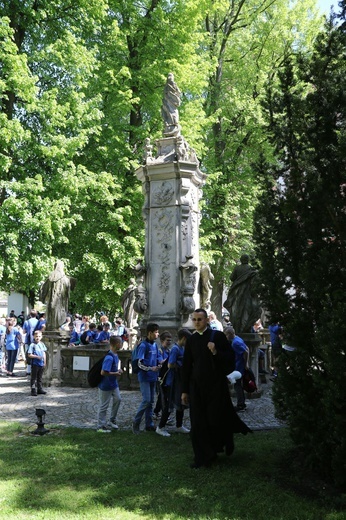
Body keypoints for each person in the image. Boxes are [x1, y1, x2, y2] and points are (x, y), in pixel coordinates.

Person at [181, 308, 251, 468]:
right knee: (198, 422)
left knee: (215, 420)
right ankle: (203, 457)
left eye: (200, 319)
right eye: (195, 319)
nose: (197, 322)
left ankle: (222, 444)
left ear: (206, 320)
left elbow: (230, 360)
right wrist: (184, 390)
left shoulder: (217, 337)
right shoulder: (191, 340)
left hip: (215, 387)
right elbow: (186, 366)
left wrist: (215, 352)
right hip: (197, 387)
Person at [156, 328, 192, 437]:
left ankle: (179, 426)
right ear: (184, 339)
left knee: (180, 403)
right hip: (171, 382)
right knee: (169, 405)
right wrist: (181, 366)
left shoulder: (182, 348)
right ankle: (160, 427)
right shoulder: (176, 349)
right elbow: (170, 364)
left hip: (179, 381)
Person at [132, 323, 163, 434]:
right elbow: (140, 363)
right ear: (149, 333)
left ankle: (149, 424)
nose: (157, 334)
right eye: (156, 332)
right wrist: (150, 368)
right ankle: (136, 423)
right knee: (146, 400)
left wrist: (160, 362)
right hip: (144, 377)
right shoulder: (143, 345)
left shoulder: (155, 345)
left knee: (151, 402)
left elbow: (158, 357)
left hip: (153, 377)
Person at [223, 254, 262, 333]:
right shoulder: (251, 269)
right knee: (246, 309)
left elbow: (232, 278)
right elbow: (255, 282)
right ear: (248, 260)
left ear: (241, 260)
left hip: (237, 292)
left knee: (236, 310)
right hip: (247, 293)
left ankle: (238, 327)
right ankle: (244, 327)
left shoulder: (237, 268)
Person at [96, 336, 123, 433]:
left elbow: (113, 368)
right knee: (104, 406)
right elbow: (103, 372)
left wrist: (118, 370)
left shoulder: (115, 355)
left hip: (113, 384)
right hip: (105, 385)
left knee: (118, 399)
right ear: (116, 344)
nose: (122, 344)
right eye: (121, 342)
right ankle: (101, 426)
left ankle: (112, 420)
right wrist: (115, 373)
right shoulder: (109, 357)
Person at [40, 260, 76, 329]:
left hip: (52, 303)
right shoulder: (65, 279)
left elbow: (43, 289)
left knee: (52, 314)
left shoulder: (50, 278)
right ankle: (55, 327)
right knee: (58, 315)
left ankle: (52, 326)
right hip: (61, 303)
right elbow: (70, 288)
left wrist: (43, 298)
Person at [224, 326, 249, 412]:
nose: (226, 337)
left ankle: (241, 405)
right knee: (238, 385)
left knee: (237, 386)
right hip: (238, 366)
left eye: (226, 335)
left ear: (230, 334)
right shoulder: (238, 339)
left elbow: (245, 352)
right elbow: (247, 349)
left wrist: (246, 364)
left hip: (238, 367)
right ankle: (241, 403)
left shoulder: (235, 343)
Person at [153, 331, 172, 421]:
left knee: (163, 396)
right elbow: (160, 362)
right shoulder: (159, 351)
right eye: (167, 340)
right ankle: (162, 414)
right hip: (161, 377)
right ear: (162, 340)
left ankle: (157, 412)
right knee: (163, 396)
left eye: (170, 340)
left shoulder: (169, 351)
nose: (169, 342)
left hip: (167, 376)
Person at [27, 330, 47, 396]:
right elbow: (29, 354)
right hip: (35, 364)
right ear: (34, 337)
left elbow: (44, 353)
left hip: (41, 363)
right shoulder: (32, 345)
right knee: (33, 377)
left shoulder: (42, 344)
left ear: (41, 337)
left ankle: (39, 389)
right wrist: (36, 357)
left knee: (40, 377)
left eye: (39, 336)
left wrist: (45, 361)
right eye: (36, 336)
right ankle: (33, 390)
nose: (37, 338)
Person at [22, 310, 38, 375]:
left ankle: (28, 370)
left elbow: (23, 331)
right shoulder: (38, 321)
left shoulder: (26, 322)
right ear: (36, 315)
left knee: (28, 355)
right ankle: (35, 369)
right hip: (36, 340)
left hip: (28, 340)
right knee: (35, 354)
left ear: (30, 315)